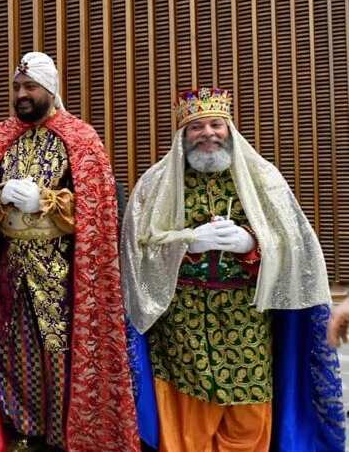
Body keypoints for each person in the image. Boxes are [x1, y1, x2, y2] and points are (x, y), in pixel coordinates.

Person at [121, 87, 345, 451]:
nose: (207, 133)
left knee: (249, 420)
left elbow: (295, 244)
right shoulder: (154, 184)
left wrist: (251, 243)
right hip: (182, 325)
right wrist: (186, 242)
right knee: (185, 421)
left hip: (247, 320)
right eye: (196, 127)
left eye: (215, 124)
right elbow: (137, 247)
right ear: (182, 136)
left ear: (230, 130)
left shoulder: (262, 178)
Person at [0, 51, 139, 452]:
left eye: (30, 87)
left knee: (57, 356)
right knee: (13, 352)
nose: (22, 94)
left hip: (61, 274)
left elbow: (99, 209)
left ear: (50, 89)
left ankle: (62, 437)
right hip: (10, 271)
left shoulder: (81, 139)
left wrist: (44, 200)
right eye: (17, 87)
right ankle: (22, 431)